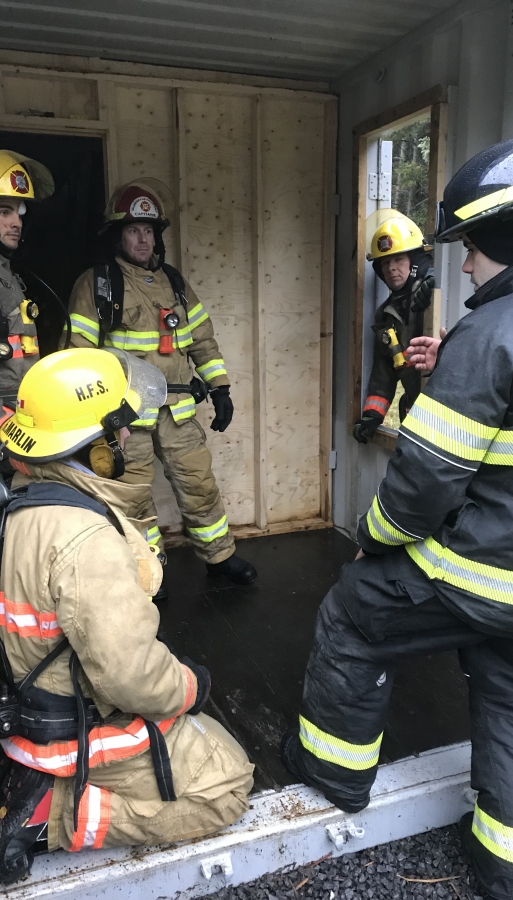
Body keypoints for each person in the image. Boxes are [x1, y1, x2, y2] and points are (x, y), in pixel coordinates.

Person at [281, 139, 513, 900]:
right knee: (505, 688)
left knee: (353, 614)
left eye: (471, 247)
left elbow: (425, 483)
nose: (465, 265)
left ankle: (334, 773)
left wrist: (372, 540)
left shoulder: (490, 333)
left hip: (487, 571)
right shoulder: (471, 335)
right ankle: (501, 865)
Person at [0, 347, 253, 884]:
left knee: (207, 736)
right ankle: (53, 814)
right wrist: (189, 686)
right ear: (95, 450)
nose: (126, 438)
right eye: (118, 431)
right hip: (77, 722)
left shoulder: (25, 501)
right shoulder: (83, 538)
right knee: (228, 784)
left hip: (32, 703)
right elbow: (131, 677)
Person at [65, 181, 257, 586]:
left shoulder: (175, 283)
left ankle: (219, 557)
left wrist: (220, 388)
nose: (143, 239)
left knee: (199, 483)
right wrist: (93, 416)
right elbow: (78, 356)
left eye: (149, 231)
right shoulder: (97, 285)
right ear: (117, 236)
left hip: (177, 410)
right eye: (133, 230)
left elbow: (202, 339)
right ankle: (149, 572)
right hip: (125, 416)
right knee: (132, 495)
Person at [353, 213, 435, 443]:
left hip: (446, 418)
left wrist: (434, 280)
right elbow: (384, 373)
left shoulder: (433, 293)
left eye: (398, 259)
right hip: (416, 420)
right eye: (385, 263)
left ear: (414, 261)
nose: (391, 268)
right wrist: (372, 415)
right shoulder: (386, 315)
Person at [0, 151, 54, 464]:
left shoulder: (10, 275)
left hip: (19, 409)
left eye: (19, 214)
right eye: (4, 212)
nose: (16, 223)